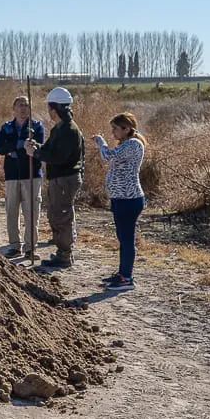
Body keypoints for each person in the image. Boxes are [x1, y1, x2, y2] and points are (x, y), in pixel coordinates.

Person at [26, 87, 84, 268]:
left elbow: (58, 157)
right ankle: (62, 252)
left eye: (50, 109)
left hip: (65, 178)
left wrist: (35, 154)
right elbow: (50, 149)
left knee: (61, 216)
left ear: (55, 109)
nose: (49, 112)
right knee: (56, 214)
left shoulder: (68, 129)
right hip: (61, 178)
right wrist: (36, 145)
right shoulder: (61, 128)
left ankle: (65, 255)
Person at [93, 113, 147, 290]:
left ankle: (126, 277)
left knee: (127, 239)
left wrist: (101, 142)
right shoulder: (126, 144)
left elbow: (107, 155)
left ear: (126, 129)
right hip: (120, 199)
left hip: (129, 200)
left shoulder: (133, 144)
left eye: (115, 129)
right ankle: (122, 273)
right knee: (123, 238)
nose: (113, 133)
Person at [0, 96, 45, 259]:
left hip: (31, 175)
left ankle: (31, 247)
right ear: (14, 108)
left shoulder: (36, 127)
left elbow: (37, 147)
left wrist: (17, 151)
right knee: (11, 211)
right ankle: (15, 246)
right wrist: (18, 146)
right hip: (11, 174)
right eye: (20, 105)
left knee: (31, 212)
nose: (23, 108)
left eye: (26, 105)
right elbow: (0, 148)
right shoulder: (7, 127)